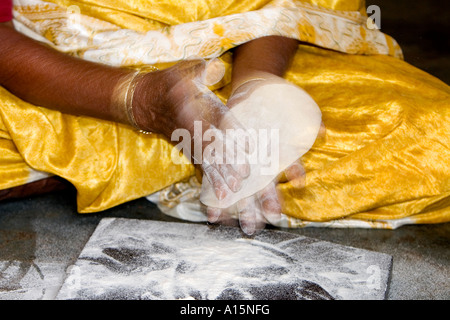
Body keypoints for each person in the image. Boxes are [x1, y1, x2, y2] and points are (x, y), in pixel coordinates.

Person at [0, 0, 449, 233]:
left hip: (237, 54)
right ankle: (159, 145)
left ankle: (108, 163)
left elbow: (288, 7)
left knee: (438, 140)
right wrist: (137, 98)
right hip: (56, 65)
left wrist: (256, 88)